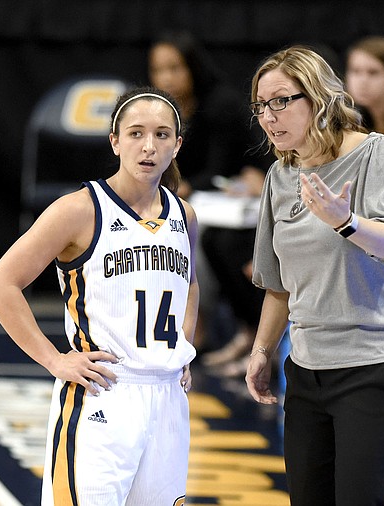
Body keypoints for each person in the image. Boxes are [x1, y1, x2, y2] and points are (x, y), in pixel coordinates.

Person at [0, 86, 198, 505]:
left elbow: (189, 285)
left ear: (177, 144)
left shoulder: (183, 214)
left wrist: (183, 345)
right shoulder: (79, 209)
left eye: (161, 134)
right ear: (115, 141)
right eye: (135, 133)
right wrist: (53, 359)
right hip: (104, 395)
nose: (148, 146)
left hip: (169, 400)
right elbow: (0, 284)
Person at [244, 45, 384, 505]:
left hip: (377, 364)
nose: (269, 116)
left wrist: (346, 222)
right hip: (306, 370)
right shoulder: (279, 176)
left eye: (282, 101)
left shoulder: (376, 153)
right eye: (261, 106)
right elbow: (278, 285)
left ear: (319, 97)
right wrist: (262, 351)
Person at [147, 31, 269, 363]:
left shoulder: (220, 105)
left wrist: (181, 185)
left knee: (206, 237)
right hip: (203, 198)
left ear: (194, 68)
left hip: (244, 199)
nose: (167, 78)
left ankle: (205, 327)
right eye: (159, 70)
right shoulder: (158, 110)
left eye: (175, 68)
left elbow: (221, 167)